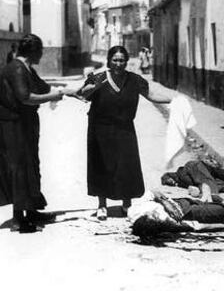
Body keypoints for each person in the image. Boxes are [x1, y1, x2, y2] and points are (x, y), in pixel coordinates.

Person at [78, 46, 173, 221]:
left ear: (126, 61)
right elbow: (82, 95)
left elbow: (151, 94)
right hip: (100, 129)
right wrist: (94, 86)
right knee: (102, 165)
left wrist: (174, 99)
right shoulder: (99, 77)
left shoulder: (134, 80)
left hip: (124, 128)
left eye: (122, 60)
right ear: (109, 60)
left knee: (126, 165)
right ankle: (102, 206)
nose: (118, 64)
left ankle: (126, 204)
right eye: (115, 60)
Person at [0, 34, 82, 232]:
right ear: (32, 51)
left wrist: (74, 93)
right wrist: (53, 96)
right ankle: (19, 220)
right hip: (14, 125)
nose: (42, 54)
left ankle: (31, 210)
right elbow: (26, 97)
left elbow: (45, 87)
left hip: (25, 124)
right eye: (41, 51)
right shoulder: (17, 68)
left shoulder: (26, 68)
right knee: (19, 167)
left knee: (30, 165)